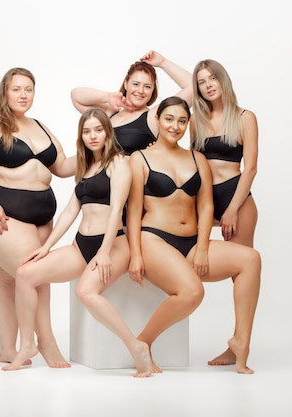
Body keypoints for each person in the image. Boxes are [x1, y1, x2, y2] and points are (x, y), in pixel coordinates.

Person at [3, 109, 153, 377]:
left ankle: (136, 347)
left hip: (114, 243)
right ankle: (27, 345)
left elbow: (118, 210)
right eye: (86, 131)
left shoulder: (119, 164)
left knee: (85, 292)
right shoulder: (86, 166)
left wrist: (105, 252)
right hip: (81, 245)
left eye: (98, 129)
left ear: (108, 132)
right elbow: (70, 211)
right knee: (25, 274)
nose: (92, 136)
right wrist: (46, 247)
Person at [127, 96, 261, 374]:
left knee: (250, 259)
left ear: (188, 125)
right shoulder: (140, 159)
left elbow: (206, 206)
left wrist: (201, 247)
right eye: (169, 119)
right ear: (157, 120)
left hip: (190, 242)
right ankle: (142, 343)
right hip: (154, 239)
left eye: (182, 121)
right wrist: (136, 256)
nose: (175, 126)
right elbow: (132, 211)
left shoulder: (196, 158)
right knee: (192, 292)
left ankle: (240, 342)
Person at [0, 67, 75, 369]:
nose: (23, 95)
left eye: (29, 89)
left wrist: (100, 149)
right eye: (17, 89)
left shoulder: (39, 126)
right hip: (0, 211)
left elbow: (62, 166)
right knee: (35, 272)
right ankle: (46, 343)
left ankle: (6, 349)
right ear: (5, 92)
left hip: (40, 217)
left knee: (8, 276)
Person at [190, 59, 260, 366]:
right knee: (191, 257)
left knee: (242, 272)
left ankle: (239, 342)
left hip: (238, 199)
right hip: (204, 200)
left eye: (212, 79)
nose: (207, 85)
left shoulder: (245, 117)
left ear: (223, 80)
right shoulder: (195, 121)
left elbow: (251, 168)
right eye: (201, 81)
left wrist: (231, 209)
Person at [71, 50, 192, 156]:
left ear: (152, 90)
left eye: (147, 86)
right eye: (136, 84)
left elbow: (193, 88)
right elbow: (76, 96)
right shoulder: (109, 113)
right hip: (97, 180)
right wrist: (107, 97)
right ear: (126, 84)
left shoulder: (153, 117)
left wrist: (163, 63)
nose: (140, 91)